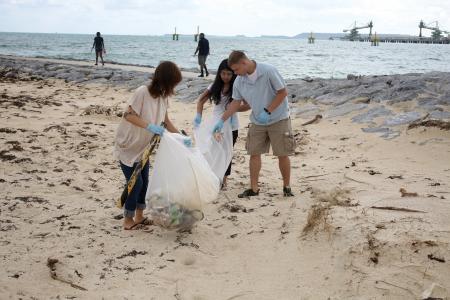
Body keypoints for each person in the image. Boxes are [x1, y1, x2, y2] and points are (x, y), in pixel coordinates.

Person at [114, 61, 192, 230]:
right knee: (135, 183)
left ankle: (139, 216)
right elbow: (128, 115)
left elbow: (165, 120)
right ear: (165, 80)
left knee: (145, 181)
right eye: (173, 83)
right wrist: (149, 125)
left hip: (144, 147)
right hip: (129, 144)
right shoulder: (143, 92)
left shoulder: (163, 96)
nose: (174, 87)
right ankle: (128, 219)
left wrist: (179, 137)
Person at [213, 50, 296, 198]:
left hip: (279, 117)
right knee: (254, 153)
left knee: (282, 154)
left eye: (236, 69)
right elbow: (235, 103)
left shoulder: (268, 71)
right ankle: (254, 188)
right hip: (258, 120)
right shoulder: (239, 81)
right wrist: (222, 119)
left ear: (244, 62)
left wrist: (268, 111)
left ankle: (286, 186)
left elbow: (282, 92)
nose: (235, 74)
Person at [193, 59, 249, 188]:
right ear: (219, 73)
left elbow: (248, 105)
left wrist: (233, 109)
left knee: (227, 152)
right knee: (212, 150)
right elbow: (201, 101)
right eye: (223, 73)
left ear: (233, 74)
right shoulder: (214, 86)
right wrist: (198, 116)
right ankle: (211, 175)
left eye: (229, 74)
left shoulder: (237, 87)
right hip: (215, 125)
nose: (226, 77)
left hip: (232, 125)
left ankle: (223, 180)